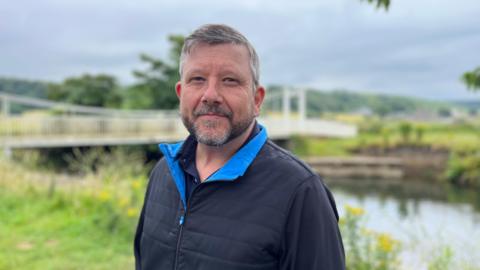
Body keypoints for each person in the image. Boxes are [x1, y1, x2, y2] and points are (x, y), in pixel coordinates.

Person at [134, 24, 345, 270]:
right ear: (181, 94)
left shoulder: (300, 192)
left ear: (257, 100)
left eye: (230, 80)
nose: (210, 95)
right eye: (197, 79)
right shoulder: (163, 172)